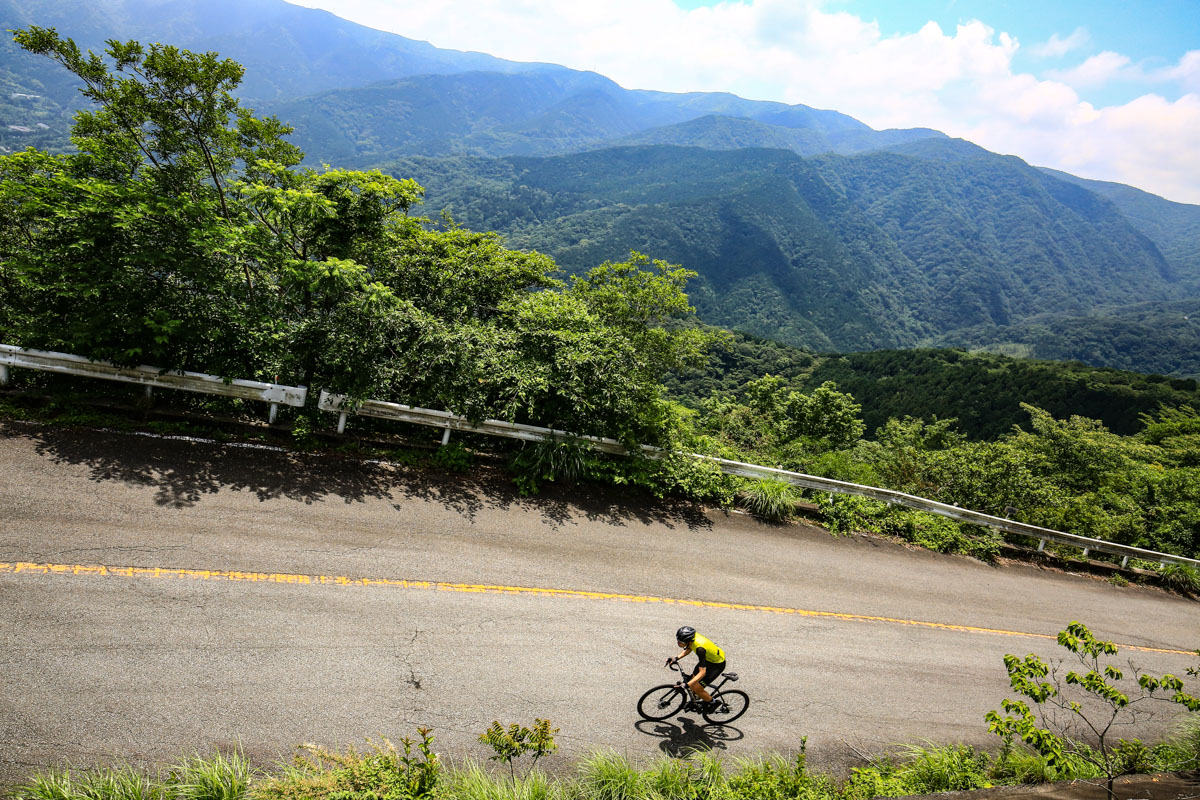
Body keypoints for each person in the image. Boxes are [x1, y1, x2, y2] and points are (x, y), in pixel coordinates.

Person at [665, 625, 726, 710]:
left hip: (716, 665)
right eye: (678, 640)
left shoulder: (700, 649)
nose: (679, 643)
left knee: (697, 688)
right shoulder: (692, 638)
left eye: (681, 642)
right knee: (692, 680)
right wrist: (677, 658)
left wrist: (685, 685)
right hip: (708, 659)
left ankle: (714, 702)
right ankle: (696, 699)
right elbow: (690, 647)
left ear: (688, 640)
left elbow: (702, 672)